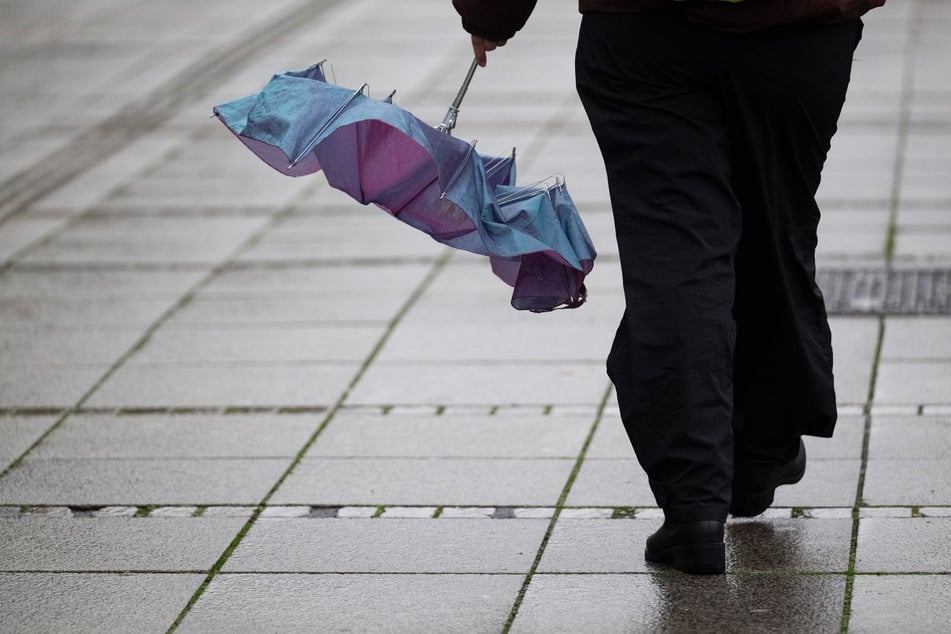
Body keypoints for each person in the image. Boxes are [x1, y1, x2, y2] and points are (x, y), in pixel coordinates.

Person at [452, 0, 885, 575]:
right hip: (797, 30)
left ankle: (695, 505)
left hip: (643, 31)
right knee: (773, 234)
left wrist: (492, 12)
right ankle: (758, 455)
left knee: (676, 252)